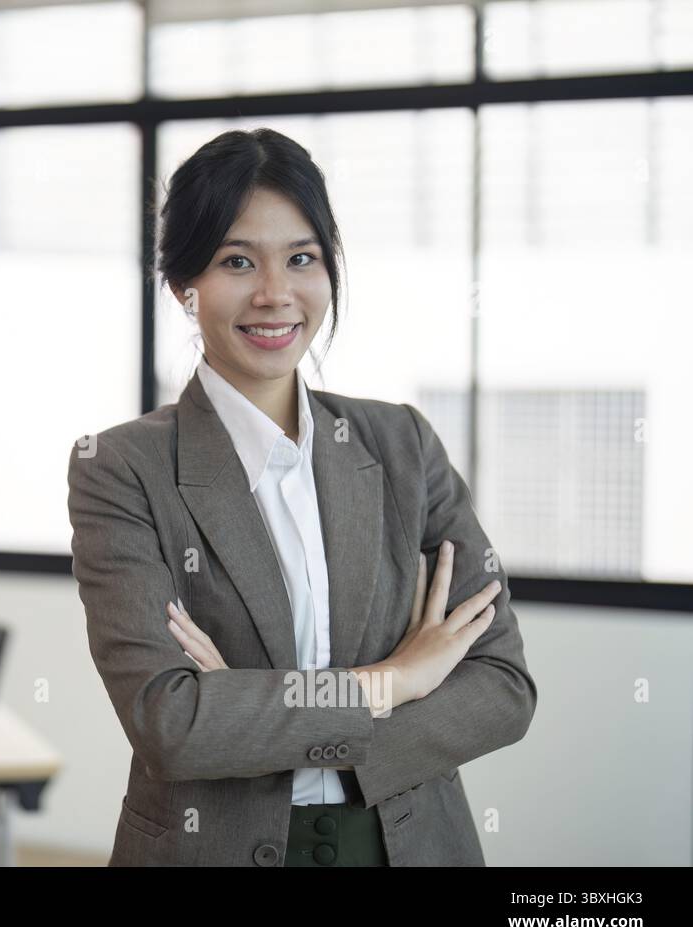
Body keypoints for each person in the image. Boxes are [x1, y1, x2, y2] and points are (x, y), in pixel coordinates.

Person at [66, 127, 536, 867]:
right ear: (183, 284)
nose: (275, 294)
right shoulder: (123, 468)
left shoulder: (402, 445)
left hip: (407, 844)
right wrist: (395, 680)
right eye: (236, 260)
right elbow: (172, 722)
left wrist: (253, 708)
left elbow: (502, 688)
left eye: (301, 258)